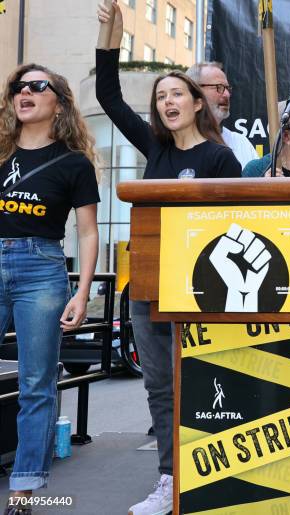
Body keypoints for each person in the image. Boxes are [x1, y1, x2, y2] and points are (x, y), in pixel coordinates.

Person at [96, 3, 241, 515]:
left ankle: (213, 477)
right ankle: (169, 479)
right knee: (160, 388)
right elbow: (108, 97)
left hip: (203, 293)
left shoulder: (222, 159)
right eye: (161, 96)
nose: (167, 101)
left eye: (177, 92)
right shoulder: (154, 150)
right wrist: (111, 38)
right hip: (150, 289)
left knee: (207, 381)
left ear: (198, 103)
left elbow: (232, 232)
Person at [0, 63, 99, 514]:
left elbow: (87, 232)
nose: (25, 92)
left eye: (38, 86)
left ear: (58, 100)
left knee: (36, 383)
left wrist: (81, 293)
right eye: (19, 87)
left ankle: (22, 489)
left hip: (41, 268)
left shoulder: (74, 162)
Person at [186, 62, 258, 168]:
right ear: (194, 91)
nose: (227, 95)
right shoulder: (177, 143)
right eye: (219, 87)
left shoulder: (241, 143)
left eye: (227, 88)